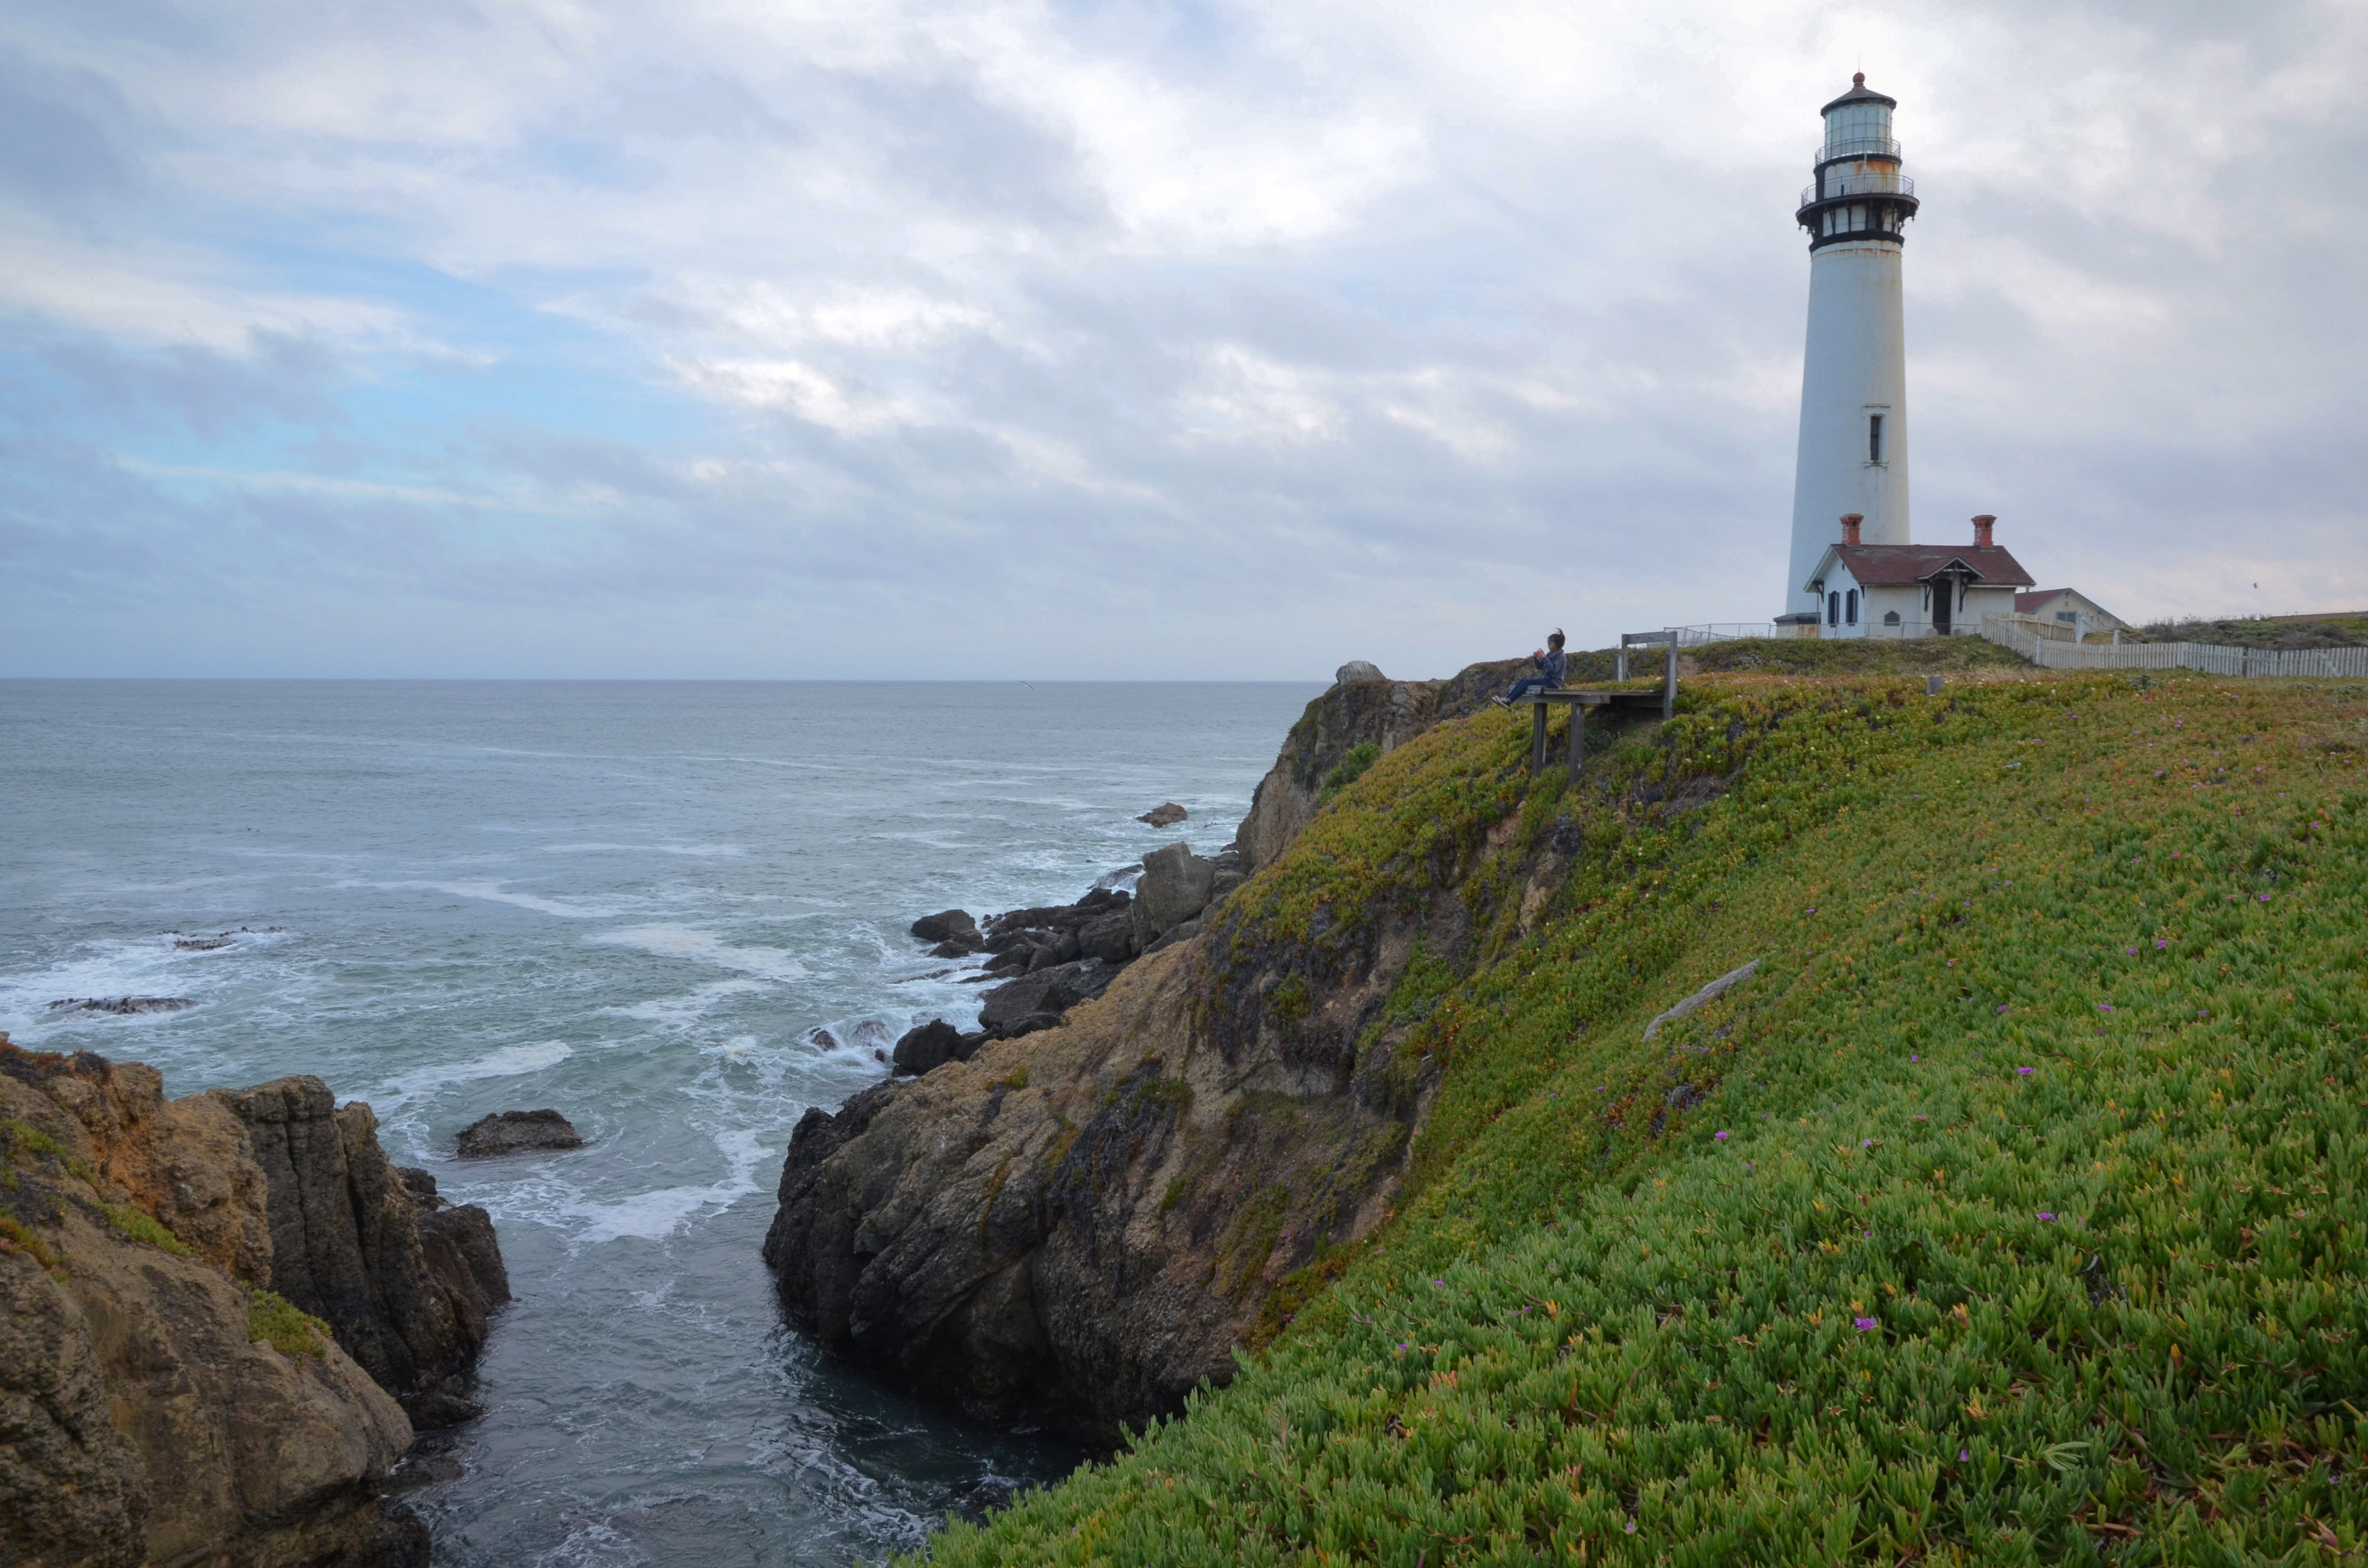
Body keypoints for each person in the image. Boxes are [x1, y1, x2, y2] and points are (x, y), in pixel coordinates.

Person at [1494, 631, 1567, 707]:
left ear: (1556, 644)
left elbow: (1553, 671)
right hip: (1546, 680)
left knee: (1526, 682)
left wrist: (1545, 658)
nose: (1548, 646)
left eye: (1550, 644)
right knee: (1523, 681)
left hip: (1554, 683)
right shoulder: (1550, 654)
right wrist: (1536, 659)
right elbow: (1540, 667)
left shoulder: (1561, 657)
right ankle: (1508, 699)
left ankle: (1509, 701)